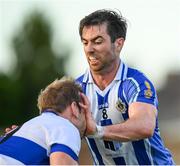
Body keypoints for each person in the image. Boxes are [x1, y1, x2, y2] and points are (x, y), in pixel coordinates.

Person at [76, 9, 175, 165]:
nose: (89, 49)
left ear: (118, 44)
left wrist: (97, 130)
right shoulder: (76, 90)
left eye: (98, 41)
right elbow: (56, 127)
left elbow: (144, 126)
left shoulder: (136, 82)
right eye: (85, 42)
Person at [0, 77, 86, 165]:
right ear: (74, 107)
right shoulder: (65, 126)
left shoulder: (26, 128)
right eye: (85, 111)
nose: (87, 118)